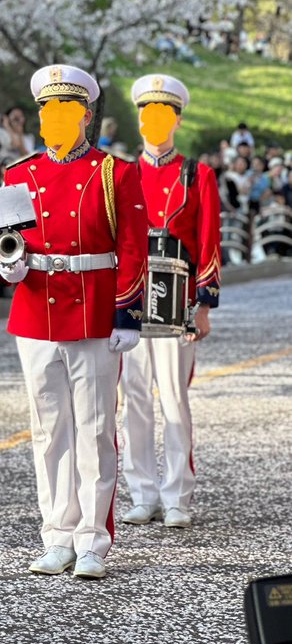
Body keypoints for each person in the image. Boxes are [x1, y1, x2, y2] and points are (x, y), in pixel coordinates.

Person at [0, 63, 148, 581]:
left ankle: (93, 540)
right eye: (48, 109)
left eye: (66, 109)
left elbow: (131, 247)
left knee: (96, 428)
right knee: (47, 430)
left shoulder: (115, 173)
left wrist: (128, 311)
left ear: (85, 116)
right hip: (36, 309)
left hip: (95, 309)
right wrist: (7, 264)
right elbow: (5, 240)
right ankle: (57, 533)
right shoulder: (19, 174)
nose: (56, 117)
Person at [121, 74, 221, 529]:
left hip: (178, 302)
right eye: (148, 114)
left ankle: (177, 493)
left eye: (163, 113)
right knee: (134, 397)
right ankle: (142, 491)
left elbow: (209, 240)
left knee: (174, 400)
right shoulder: (122, 174)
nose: (154, 121)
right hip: (133, 299)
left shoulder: (197, 173)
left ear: (176, 120)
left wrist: (205, 304)